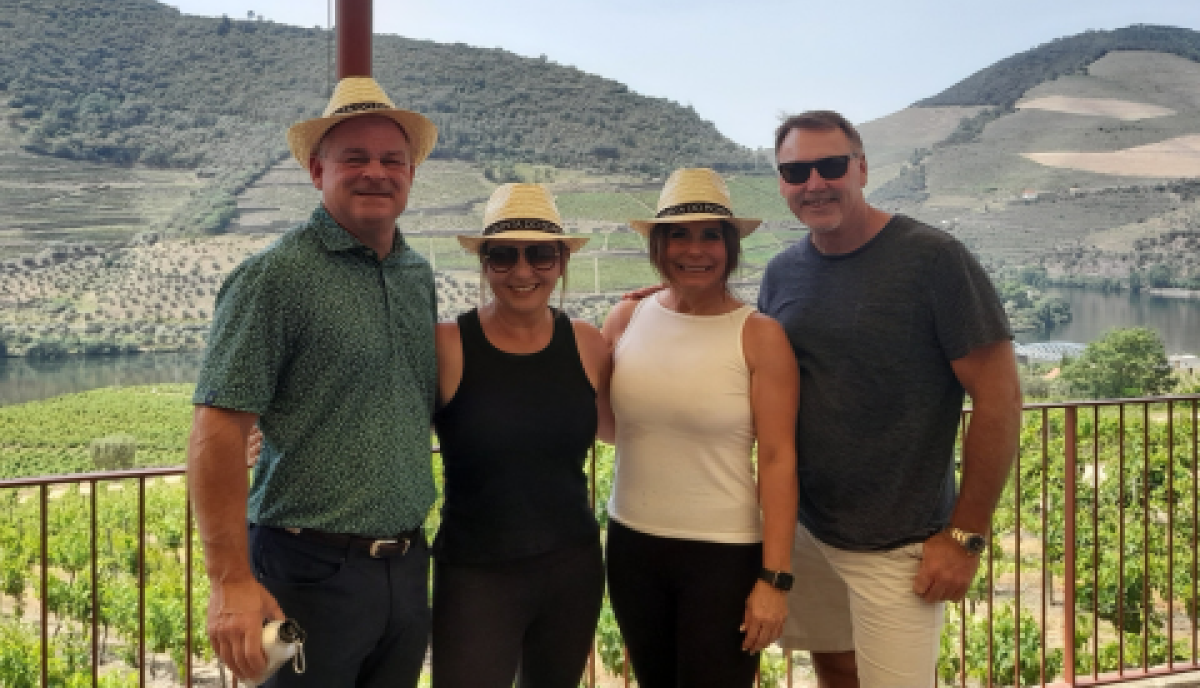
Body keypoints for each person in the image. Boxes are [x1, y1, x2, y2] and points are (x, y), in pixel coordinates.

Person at [187, 76, 440, 688]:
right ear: (316, 171)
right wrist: (229, 581)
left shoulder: (416, 274)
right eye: (355, 158)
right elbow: (219, 430)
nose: (375, 172)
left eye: (391, 159)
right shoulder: (274, 277)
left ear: (410, 175)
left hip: (406, 570)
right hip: (307, 570)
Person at [759, 110, 1023, 688]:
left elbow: (1000, 400)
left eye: (830, 165)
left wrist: (965, 535)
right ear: (781, 181)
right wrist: (671, 298)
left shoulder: (933, 260)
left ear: (862, 168)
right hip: (807, 530)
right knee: (833, 668)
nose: (814, 183)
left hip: (898, 545)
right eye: (795, 170)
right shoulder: (782, 273)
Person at [601, 167, 799, 688]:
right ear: (659, 246)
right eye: (679, 235)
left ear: (731, 247)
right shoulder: (627, 319)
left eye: (711, 234)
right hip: (631, 547)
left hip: (723, 556)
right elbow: (610, 427)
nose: (695, 249)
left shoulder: (759, 336)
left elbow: (779, 458)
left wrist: (774, 579)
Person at [430, 183, 610, 688]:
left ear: (562, 261)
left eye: (540, 255)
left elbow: (630, 422)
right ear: (484, 264)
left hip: (571, 569)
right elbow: (384, 423)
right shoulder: (447, 344)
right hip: (475, 574)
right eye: (504, 256)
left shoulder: (588, 344)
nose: (523, 271)